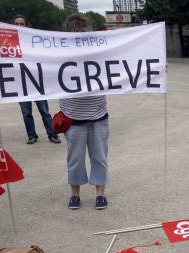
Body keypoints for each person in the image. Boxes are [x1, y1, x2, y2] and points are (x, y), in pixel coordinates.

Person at [59, 14, 110, 210]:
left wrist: (154, 70)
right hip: (72, 118)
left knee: (100, 157)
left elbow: (126, 63)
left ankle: (100, 193)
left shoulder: (99, 53)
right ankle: (75, 193)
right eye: (75, 35)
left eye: (83, 35)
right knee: (75, 159)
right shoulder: (57, 56)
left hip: (98, 115)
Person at [11, 15, 60, 145]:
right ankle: (32, 135)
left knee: (44, 111)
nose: (19, 26)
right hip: (21, 83)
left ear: (27, 25)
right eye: (17, 24)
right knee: (26, 113)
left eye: (22, 24)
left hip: (37, 81)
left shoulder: (33, 40)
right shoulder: (9, 41)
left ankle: (52, 134)